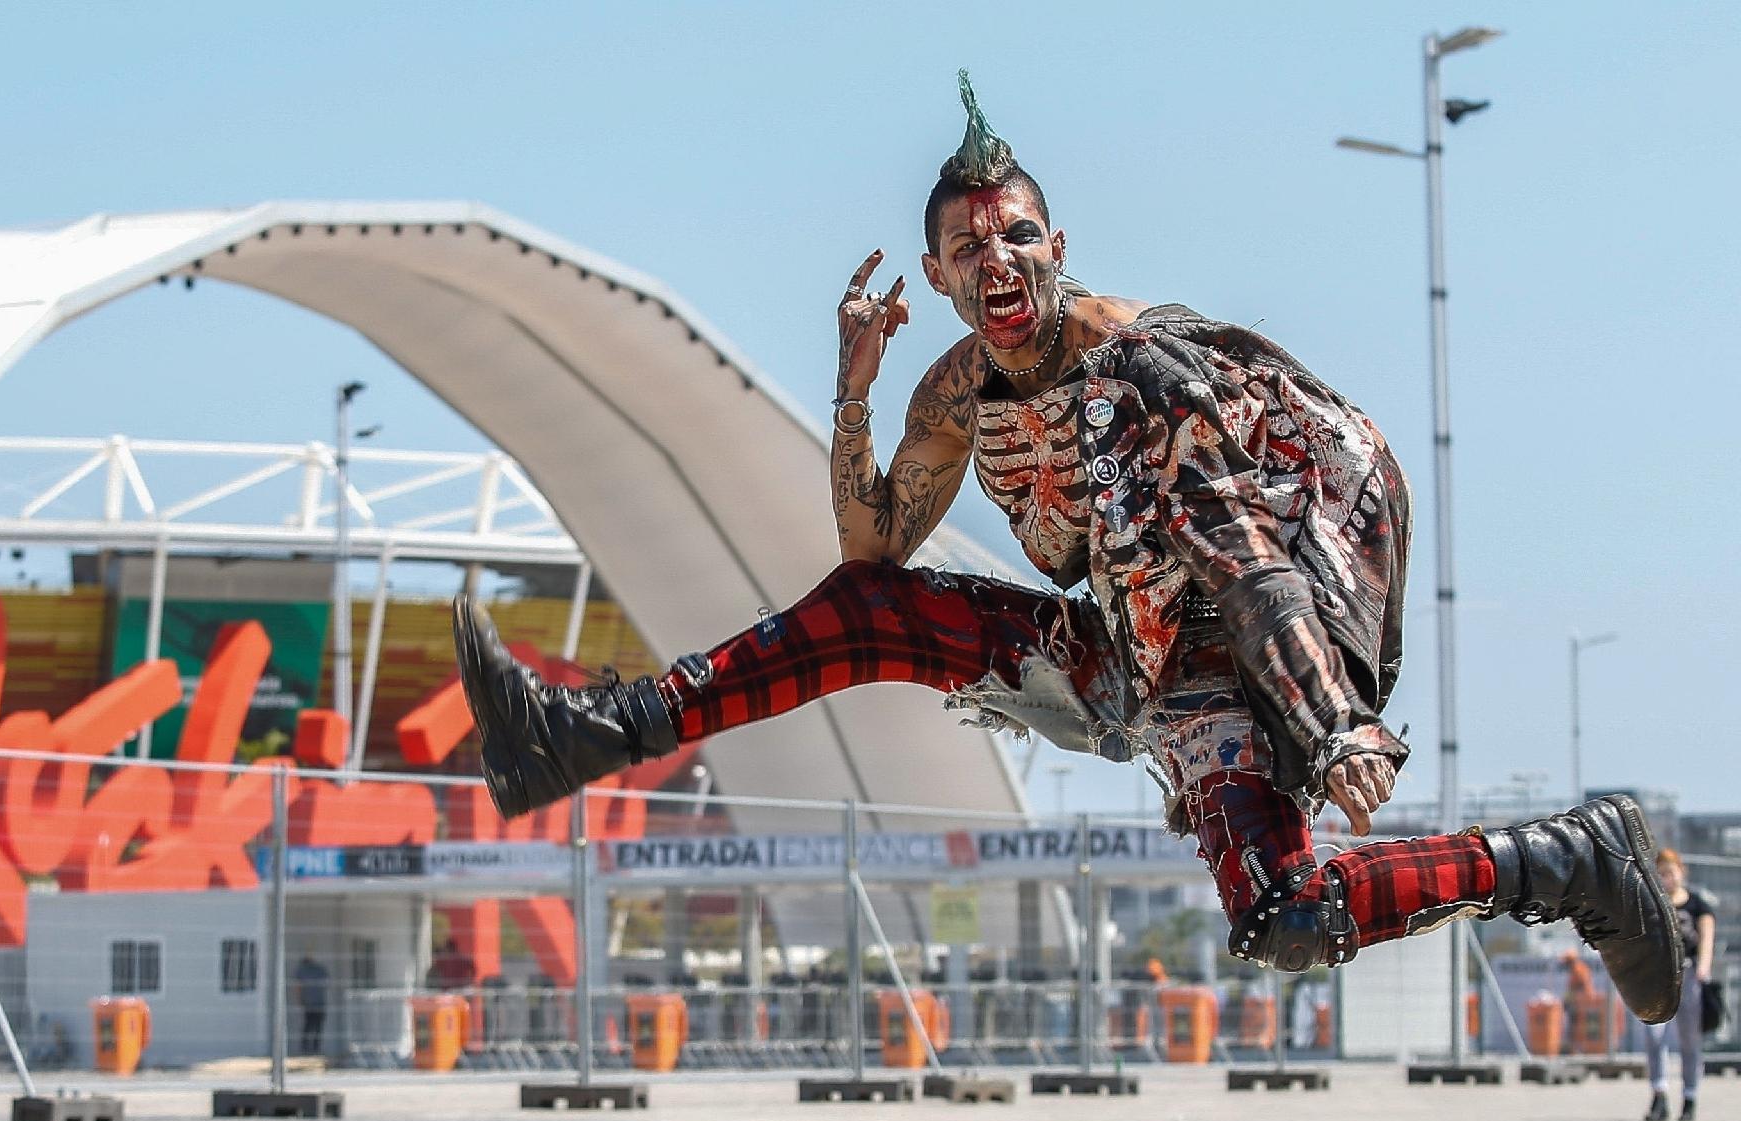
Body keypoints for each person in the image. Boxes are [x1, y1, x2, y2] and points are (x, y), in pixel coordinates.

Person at [451, 73, 1683, 1025]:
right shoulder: (952, 392)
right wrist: (852, 394)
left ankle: (1566, 858)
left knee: (1286, 915)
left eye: (1022, 237)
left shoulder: (1138, 373)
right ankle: (590, 730)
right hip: (1132, 648)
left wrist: (1328, 722)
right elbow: (872, 551)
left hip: (1265, 632)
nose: (1003, 262)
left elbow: (1240, 547)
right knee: (874, 610)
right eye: (974, 248)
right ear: (937, 274)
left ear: (1057, 242)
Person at [1639, 849, 1715, 1121]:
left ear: (1682, 872)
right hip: (1658, 978)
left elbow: (1706, 937)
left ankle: (1690, 1096)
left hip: (1689, 975)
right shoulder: (1652, 905)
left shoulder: (1697, 905)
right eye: (1661, 873)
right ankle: (1659, 1094)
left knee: (1689, 1040)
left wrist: (1704, 968)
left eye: (1671, 872)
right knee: (1653, 1036)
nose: (1667, 878)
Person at [293, 953, 330, 1056]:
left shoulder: (302, 971)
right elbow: (326, 984)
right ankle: (315, 1049)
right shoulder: (320, 970)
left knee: (308, 1026)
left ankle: (306, 1049)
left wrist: (300, 1001)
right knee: (317, 1027)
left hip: (309, 1003)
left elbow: (298, 987)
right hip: (319, 1003)